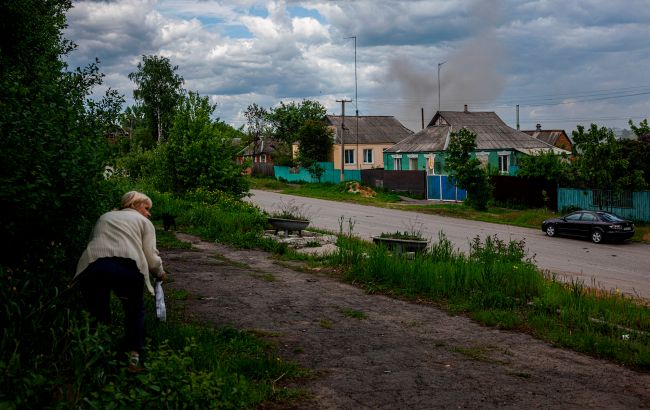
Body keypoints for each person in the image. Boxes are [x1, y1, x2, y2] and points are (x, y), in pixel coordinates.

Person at [75, 191, 166, 372]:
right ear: (134, 205)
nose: (149, 214)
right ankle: (133, 357)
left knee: (98, 312)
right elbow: (151, 256)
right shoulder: (144, 222)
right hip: (127, 267)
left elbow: (92, 241)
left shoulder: (105, 217)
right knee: (134, 310)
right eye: (147, 208)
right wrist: (160, 272)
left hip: (94, 266)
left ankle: (96, 357)